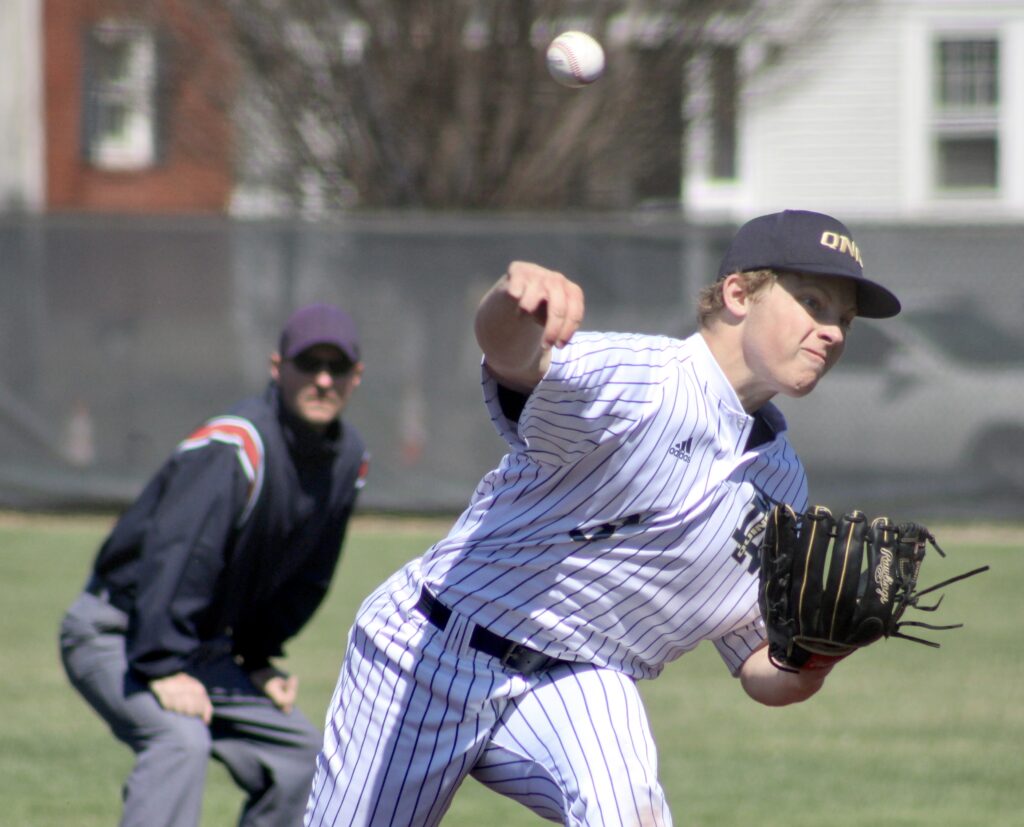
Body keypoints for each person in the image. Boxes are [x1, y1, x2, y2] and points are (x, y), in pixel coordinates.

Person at [304, 209, 902, 827]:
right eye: (812, 301)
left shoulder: (782, 486)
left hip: (584, 681)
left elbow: (756, 662)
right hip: (432, 648)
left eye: (843, 319)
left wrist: (814, 657)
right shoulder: (645, 381)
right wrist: (515, 297)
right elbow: (513, 356)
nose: (831, 331)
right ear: (737, 294)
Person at [60, 303, 370, 827]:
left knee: (301, 757)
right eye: (308, 363)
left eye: (336, 367)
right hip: (119, 630)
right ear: (278, 368)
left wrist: (256, 657)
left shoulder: (345, 460)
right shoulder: (236, 444)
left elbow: (303, 576)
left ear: (355, 378)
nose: (322, 379)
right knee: (178, 739)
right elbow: (179, 554)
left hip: (199, 648)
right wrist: (161, 664)